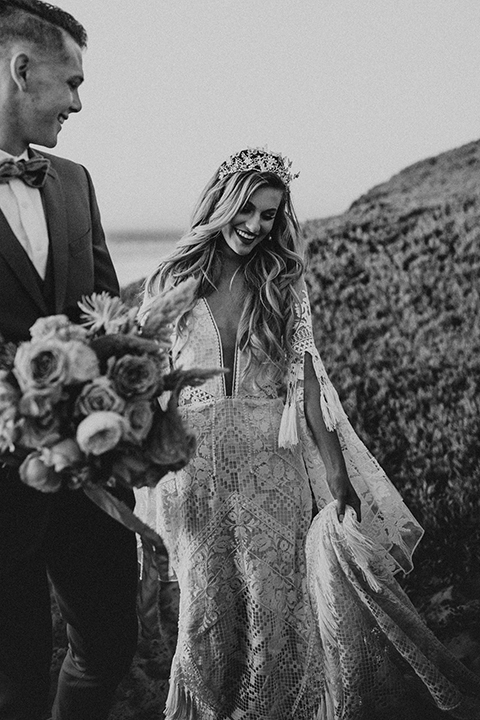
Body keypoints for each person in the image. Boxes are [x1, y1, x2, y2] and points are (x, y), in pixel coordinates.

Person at [137, 147, 480, 720]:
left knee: (278, 613)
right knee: (204, 613)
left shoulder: (283, 287)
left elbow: (307, 385)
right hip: (192, 476)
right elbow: (152, 383)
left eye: (269, 215)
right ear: (220, 205)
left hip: (272, 472)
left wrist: (337, 473)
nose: (254, 226)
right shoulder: (171, 279)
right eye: (246, 209)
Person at [0, 2, 138, 719]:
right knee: (14, 679)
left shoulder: (75, 181)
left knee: (110, 648)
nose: (80, 102)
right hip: (0, 490)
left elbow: (106, 314)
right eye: (72, 82)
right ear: (22, 70)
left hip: (91, 479)